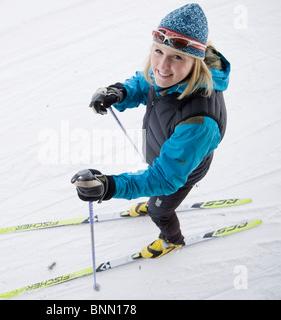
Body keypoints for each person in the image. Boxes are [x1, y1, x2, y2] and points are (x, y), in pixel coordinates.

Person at [71, 3, 230, 259]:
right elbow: (146, 81)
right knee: (156, 191)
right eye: (158, 51)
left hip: (179, 173)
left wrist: (110, 186)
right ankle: (152, 201)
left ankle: (172, 240)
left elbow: (165, 178)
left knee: (160, 211)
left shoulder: (199, 123)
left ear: (196, 62)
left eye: (177, 57)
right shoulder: (170, 76)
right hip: (163, 156)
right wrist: (119, 92)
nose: (162, 66)